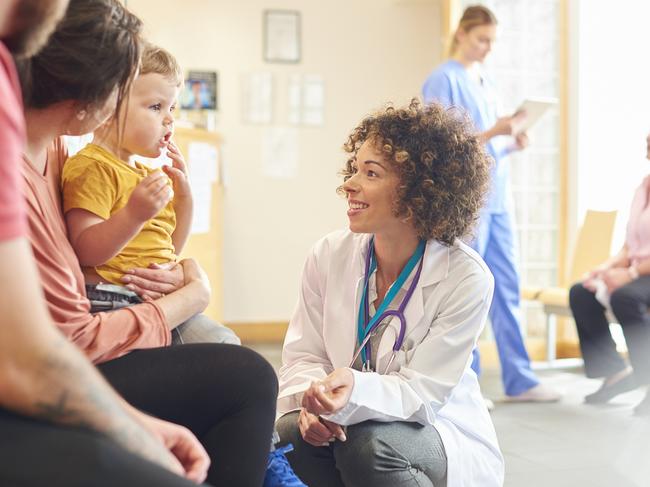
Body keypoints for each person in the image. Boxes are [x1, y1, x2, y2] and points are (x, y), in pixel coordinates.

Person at [6, 1, 278, 485]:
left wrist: (182, 268)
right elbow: (64, 340)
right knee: (249, 375)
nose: (165, 119)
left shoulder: (54, 146)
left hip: (98, 330)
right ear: (89, 97)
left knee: (235, 364)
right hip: (80, 346)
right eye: (144, 101)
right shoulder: (74, 164)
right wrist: (187, 297)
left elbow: (167, 244)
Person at [276, 99, 504, 487]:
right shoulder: (328, 255)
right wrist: (312, 402)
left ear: (419, 191)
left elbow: (425, 392)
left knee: (371, 445)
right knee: (292, 436)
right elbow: (303, 356)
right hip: (348, 418)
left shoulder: (466, 277)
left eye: (371, 173)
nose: (349, 184)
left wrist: (352, 392)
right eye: (354, 169)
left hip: (436, 428)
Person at [421, 5, 560, 403]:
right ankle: (466, 385)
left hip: (498, 200)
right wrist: (492, 131)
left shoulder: (486, 81)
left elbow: (486, 149)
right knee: (467, 288)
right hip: (469, 203)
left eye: (492, 42)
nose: (487, 48)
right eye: (482, 39)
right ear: (461, 33)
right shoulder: (442, 80)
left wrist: (509, 141)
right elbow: (440, 146)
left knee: (506, 285)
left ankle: (520, 378)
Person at [59, 42, 238, 345]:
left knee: (225, 344)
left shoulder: (144, 174)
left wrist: (185, 198)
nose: (169, 119)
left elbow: (169, 248)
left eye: (172, 108)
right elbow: (86, 251)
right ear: (109, 110)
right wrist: (132, 215)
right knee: (222, 347)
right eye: (156, 107)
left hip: (155, 301)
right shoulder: (92, 167)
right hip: (114, 301)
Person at [569, 132, 650, 416]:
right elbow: (630, 244)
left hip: (643, 273)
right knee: (581, 292)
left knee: (625, 298)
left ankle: (647, 379)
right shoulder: (642, 188)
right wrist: (606, 268)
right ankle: (613, 371)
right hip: (637, 270)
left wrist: (629, 274)